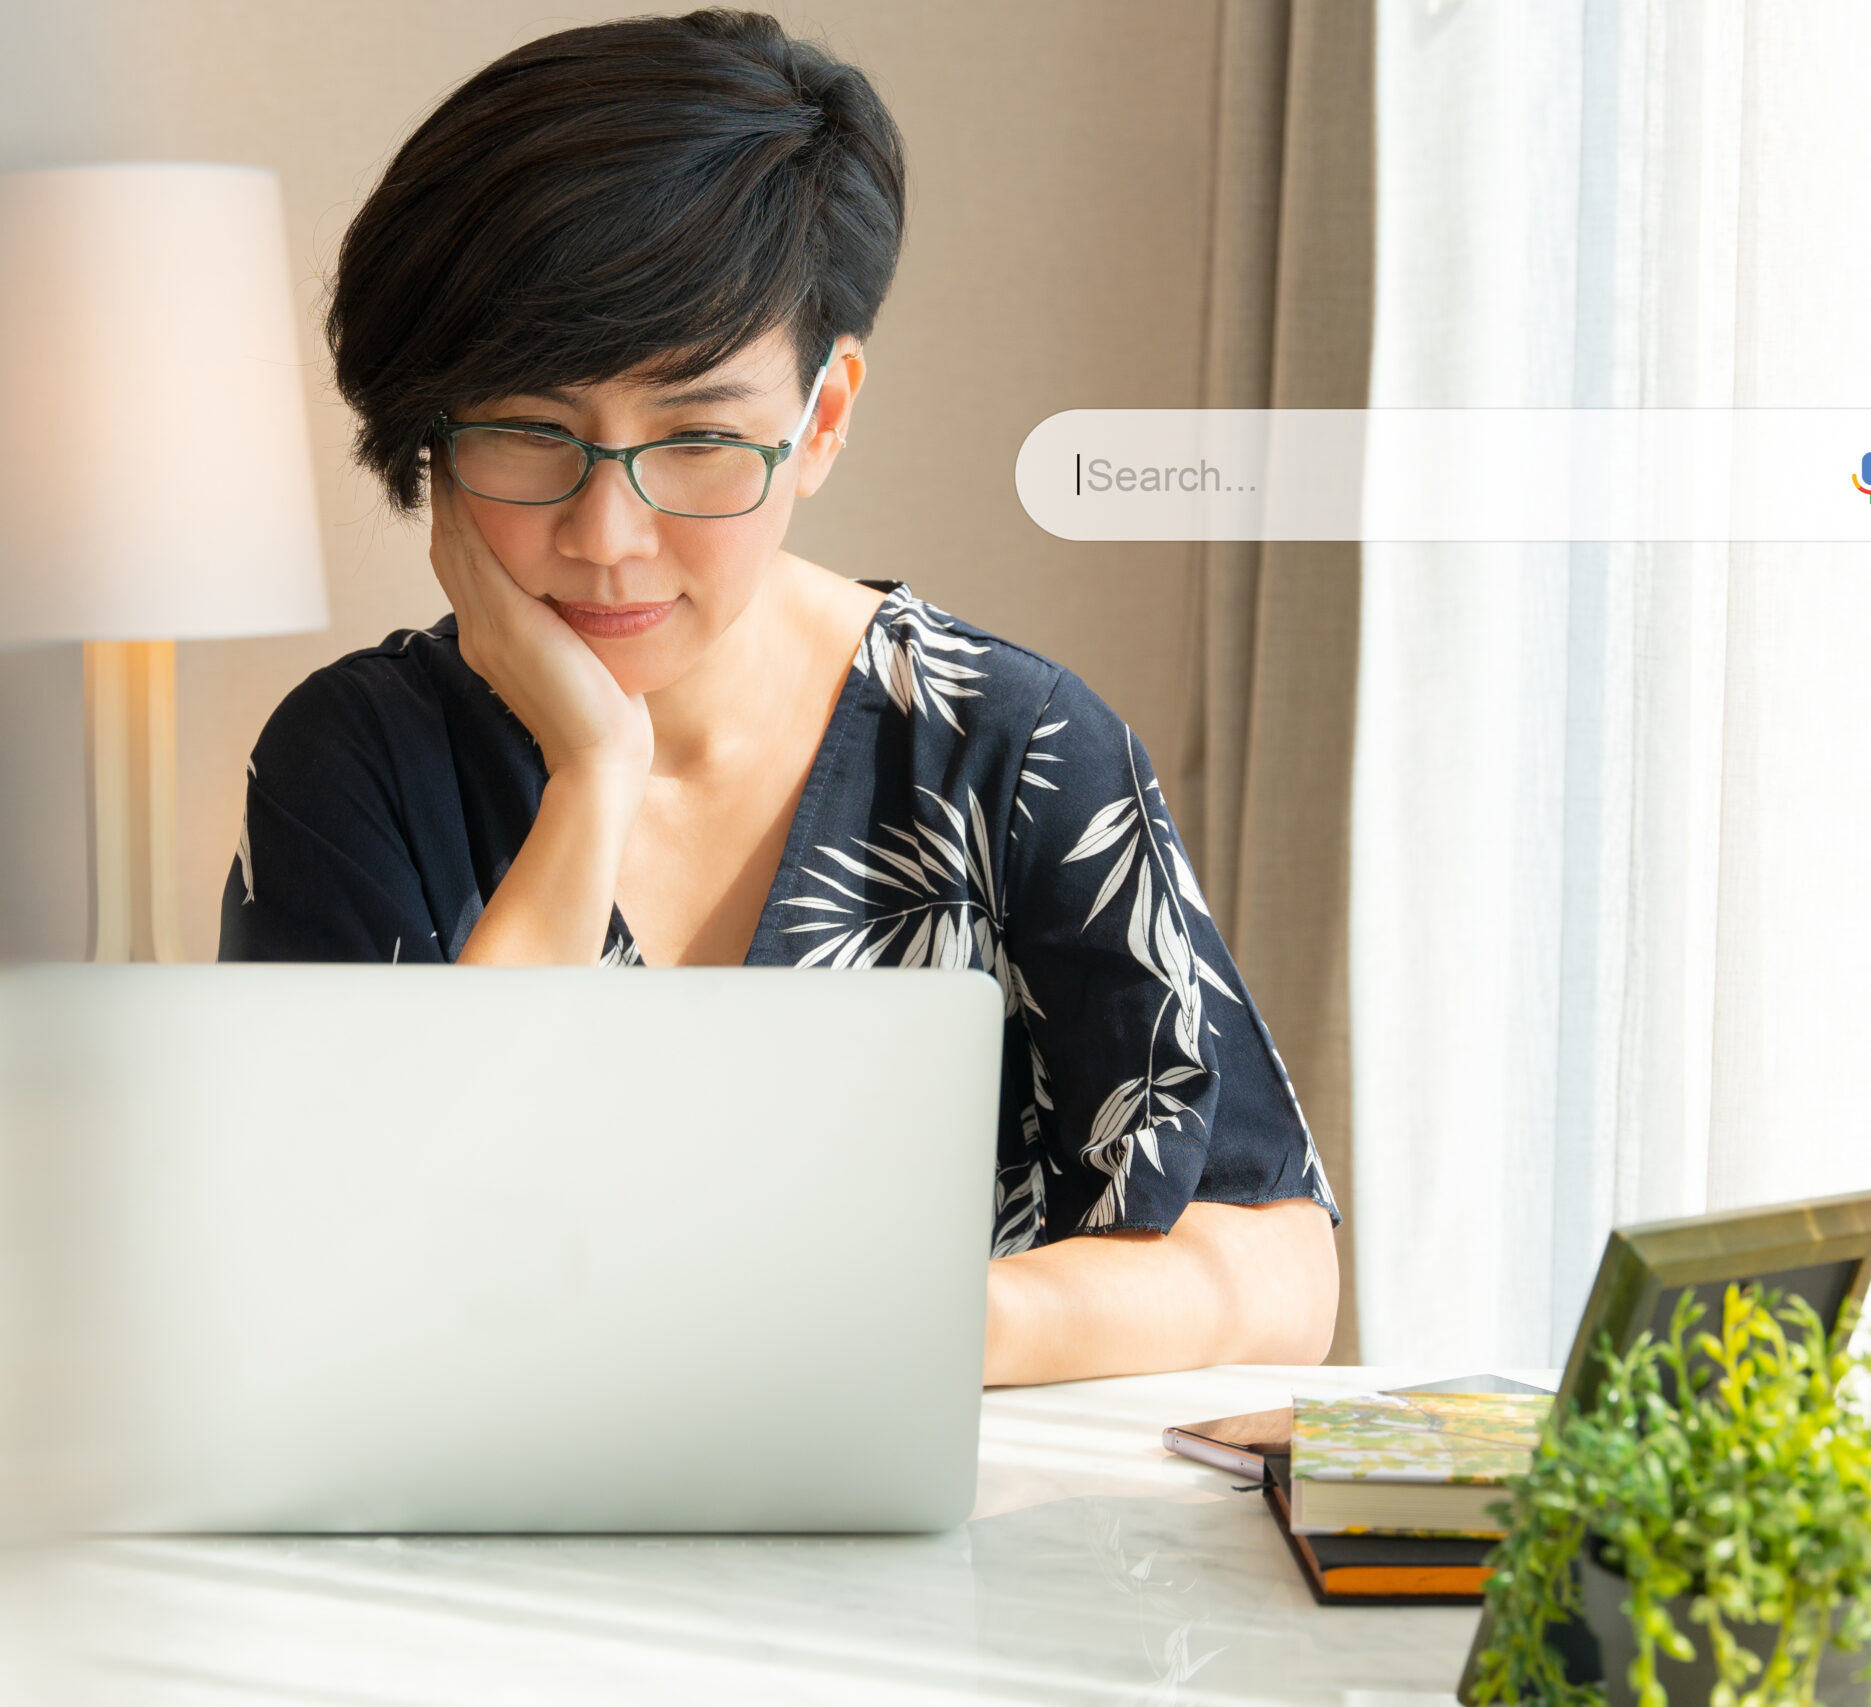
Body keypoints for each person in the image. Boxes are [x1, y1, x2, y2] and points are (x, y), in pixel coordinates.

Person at [222, 8, 1338, 1385]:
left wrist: (908, 1320)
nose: (608, 534)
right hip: (479, 1582)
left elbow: (1279, 1265)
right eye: (530, 433)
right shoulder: (355, 766)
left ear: (821, 419)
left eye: (695, 437)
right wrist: (590, 781)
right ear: (435, 449)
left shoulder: (1010, 749)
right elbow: (358, 1285)